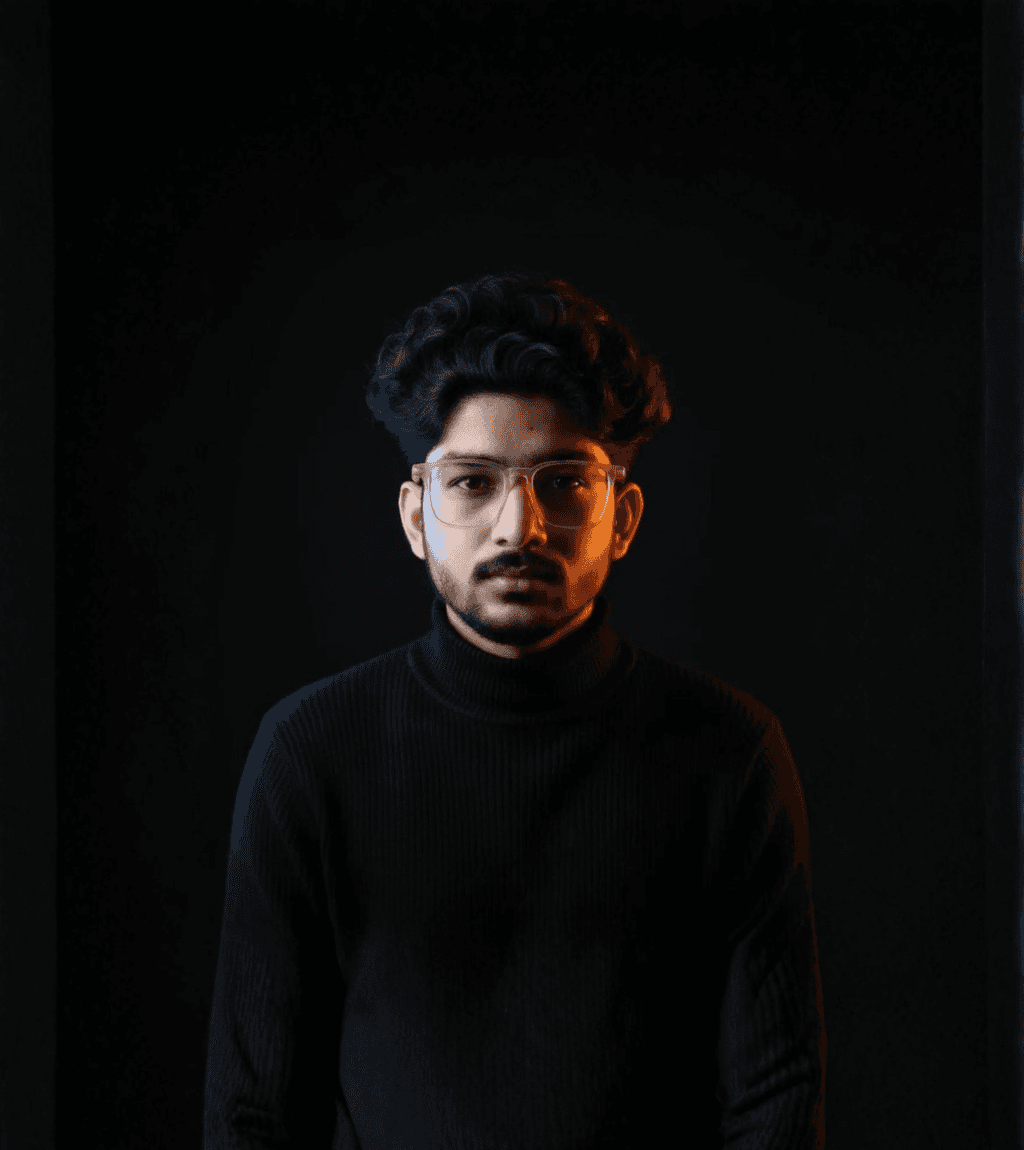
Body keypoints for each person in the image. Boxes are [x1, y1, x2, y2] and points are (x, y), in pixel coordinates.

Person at [203, 272, 827, 1149]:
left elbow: (776, 1103)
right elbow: (252, 1116)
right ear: (416, 516)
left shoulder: (728, 754)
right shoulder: (310, 753)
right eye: (472, 482)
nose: (518, 528)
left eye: (564, 482)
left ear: (623, 518)